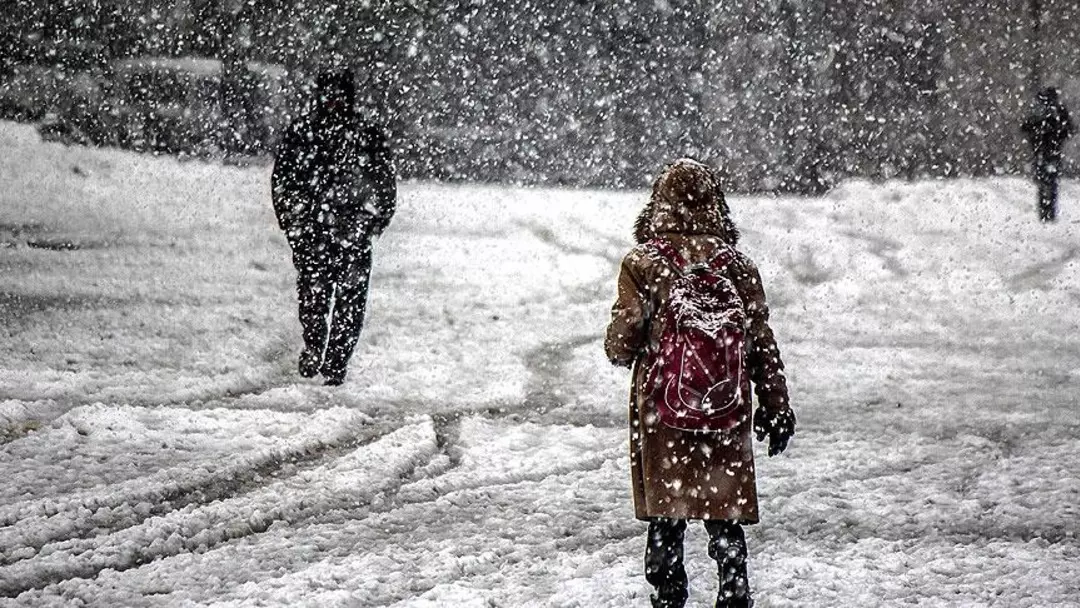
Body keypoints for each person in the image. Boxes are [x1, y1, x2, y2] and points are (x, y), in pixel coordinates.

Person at [605, 159, 795, 608]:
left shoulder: (643, 263)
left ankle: (668, 593)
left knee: (666, 513)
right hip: (725, 407)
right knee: (722, 508)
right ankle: (733, 588)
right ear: (716, 205)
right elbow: (760, 340)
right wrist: (775, 404)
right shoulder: (738, 266)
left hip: (663, 406)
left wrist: (622, 348)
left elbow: (625, 336)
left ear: (657, 204)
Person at [271, 68, 396, 385]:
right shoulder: (303, 134)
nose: (334, 102)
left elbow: (384, 183)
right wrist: (294, 221)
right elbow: (283, 181)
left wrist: (373, 221)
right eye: (330, 96)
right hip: (314, 231)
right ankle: (315, 347)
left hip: (351, 231)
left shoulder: (365, 136)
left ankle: (336, 364)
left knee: (349, 303)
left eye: (340, 96)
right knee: (314, 297)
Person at [1022, 87, 1075, 222]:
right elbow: (1069, 129)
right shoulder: (1057, 110)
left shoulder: (1039, 110)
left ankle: (1045, 211)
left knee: (1045, 181)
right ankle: (1048, 211)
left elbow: (1026, 126)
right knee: (1050, 182)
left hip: (1042, 151)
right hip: (1051, 151)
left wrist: (1038, 133)